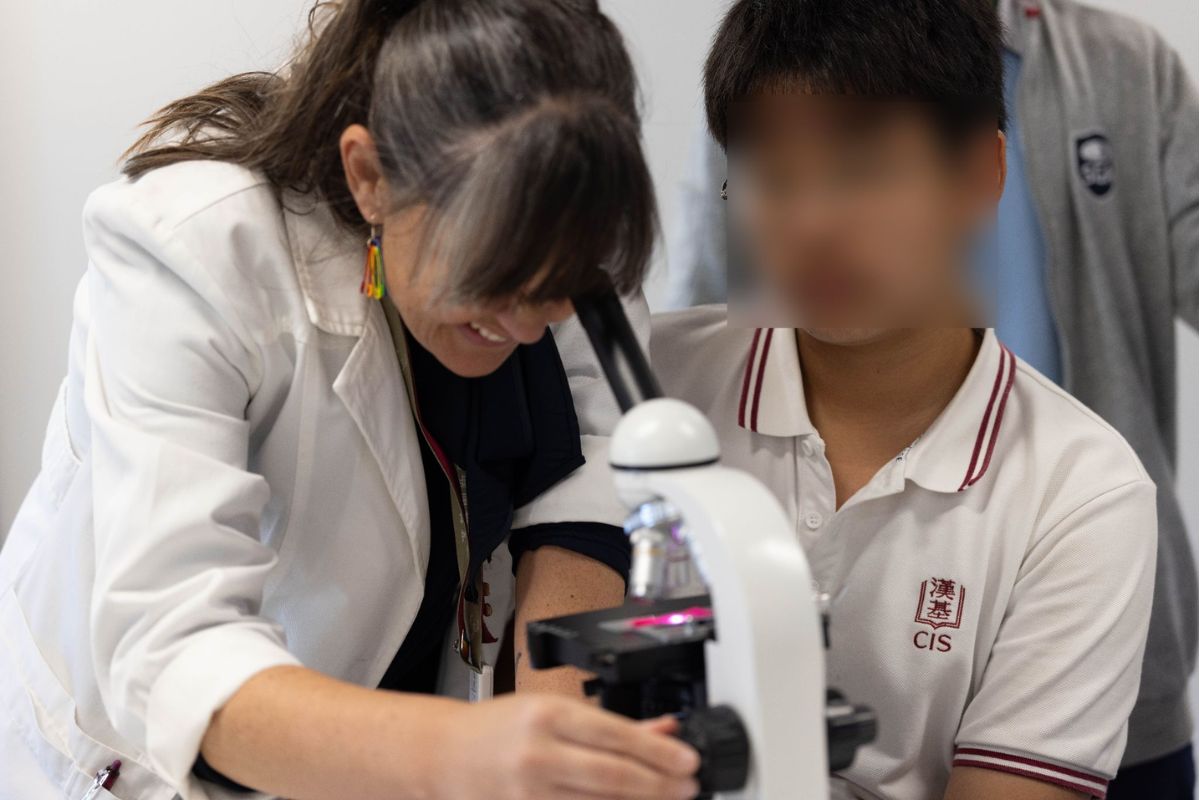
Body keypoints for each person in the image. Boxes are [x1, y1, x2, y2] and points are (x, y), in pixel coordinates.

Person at [0, 2, 704, 799]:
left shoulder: (574, 221)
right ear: (370, 176)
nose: (523, 321)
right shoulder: (194, 251)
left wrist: (559, 711)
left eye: (556, 286)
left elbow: (595, 456)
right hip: (145, 761)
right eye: (492, 270)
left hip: (406, 717)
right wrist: (465, 754)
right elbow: (173, 650)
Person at [666, 1, 1199, 792]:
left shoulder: (1086, 491)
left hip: (1052, 570)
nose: (812, 222)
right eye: (773, 180)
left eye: (862, 171)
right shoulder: (660, 395)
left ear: (983, 171)